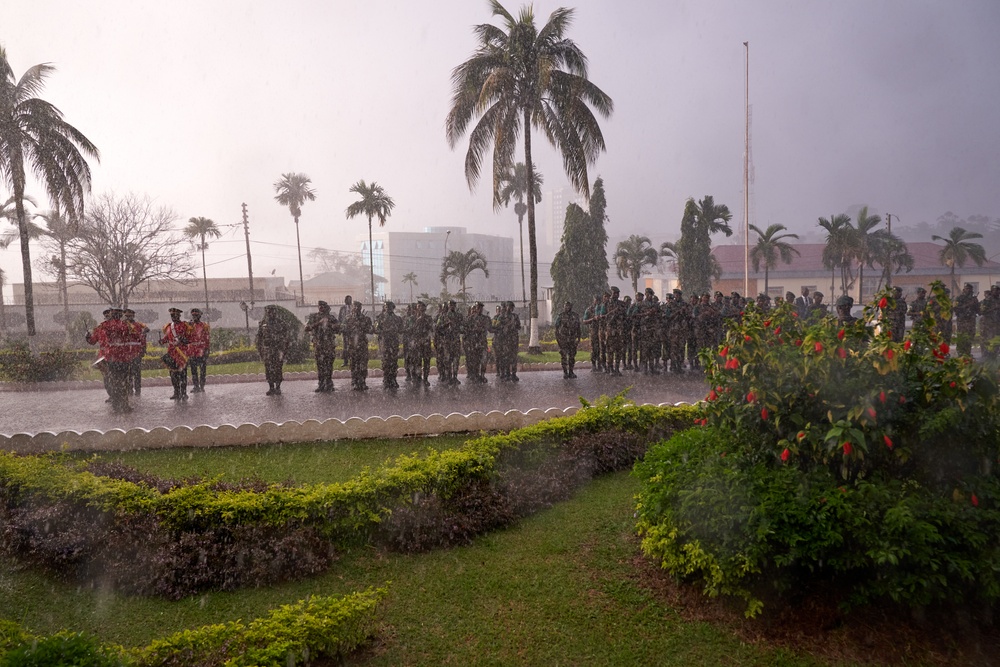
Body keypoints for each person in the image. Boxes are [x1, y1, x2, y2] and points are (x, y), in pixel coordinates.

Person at [86, 307, 133, 413]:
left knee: (113, 381)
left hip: (110, 357)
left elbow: (93, 340)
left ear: (111, 315)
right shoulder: (125, 325)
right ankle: (123, 404)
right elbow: (130, 336)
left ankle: (117, 405)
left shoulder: (104, 326)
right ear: (120, 315)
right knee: (123, 382)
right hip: (122, 358)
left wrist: (88, 338)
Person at [256, 304, 293, 396]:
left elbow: (287, 337)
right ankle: (271, 387)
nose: (270, 313)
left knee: (278, 368)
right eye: (268, 312)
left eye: (271, 312)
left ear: (275, 312)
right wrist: (260, 350)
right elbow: (259, 338)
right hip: (267, 350)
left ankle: (278, 387)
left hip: (278, 349)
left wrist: (284, 350)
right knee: (268, 369)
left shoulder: (281, 323)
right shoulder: (263, 323)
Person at [304, 300, 340, 392]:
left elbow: (339, 328)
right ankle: (321, 384)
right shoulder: (314, 317)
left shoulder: (331, 317)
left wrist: (330, 325)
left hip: (329, 345)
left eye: (322, 306)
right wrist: (318, 323)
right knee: (320, 365)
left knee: (329, 365)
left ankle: (328, 383)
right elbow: (307, 328)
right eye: (319, 306)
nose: (321, 308)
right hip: (319, 345)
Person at [159, 307, 191, 400]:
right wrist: (162, 341)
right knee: (173, 374)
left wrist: (183, 339)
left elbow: (189, 339)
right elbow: (166, 338)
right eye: (172, 315)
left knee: (183, 374)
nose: (173, 317)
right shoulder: (169, 327)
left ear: (179, 315)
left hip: (181, 353)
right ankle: (176, 392)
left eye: (175, 315)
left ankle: (184, 393)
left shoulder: (185, 325)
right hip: (171, 353)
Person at [343, 301, 373, 390]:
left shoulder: (365, 319)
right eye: (354, 307)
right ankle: (354, 382)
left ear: (360, 308)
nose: (356, 309)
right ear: (352, 308)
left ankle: (362, 381)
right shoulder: (348, 318)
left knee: (363, 364)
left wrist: (362, 326)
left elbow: (371, 330)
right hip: (352, 345)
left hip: (362, 344)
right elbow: (342, 328)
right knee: (353, 364)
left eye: (358, 307)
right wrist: (351, 327)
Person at [374, 301, 403, 389]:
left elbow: (401, 330)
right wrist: (385, 331)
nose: (387, 308)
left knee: (394, 361)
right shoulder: (380, 318)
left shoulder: (398, 319)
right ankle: (387, 379)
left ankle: (393, 379)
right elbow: (375, 330)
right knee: (386, 361)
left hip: (394, 342)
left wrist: (394, 330)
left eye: (389, 306)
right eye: (386, 306)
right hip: (385, 342)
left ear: (393, 307)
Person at [123, 309, 148, 396]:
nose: (128, 318)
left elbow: (142, 338)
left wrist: (143, 349)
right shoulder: (123, 325)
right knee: (128, 372)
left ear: (133, 316)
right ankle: (129, 389)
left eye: (129, 316)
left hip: (136, 352)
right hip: (126, 353)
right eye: (126, 316)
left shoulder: (137, 325)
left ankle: (138, 389)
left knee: (137, 372)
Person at [554, 301, 582, 379]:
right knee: (564, 356)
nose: (567, 308)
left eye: (568, 306)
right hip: (563, 339)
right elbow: (556, 327)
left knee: (572, 356)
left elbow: (578, 328)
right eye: (565, 306)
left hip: (572, 339)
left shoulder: (575, 316)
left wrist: (578, 338)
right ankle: (565, 372)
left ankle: (571, 371)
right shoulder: (561, 316)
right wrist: (558, 339)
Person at [186, 308, 211, 393]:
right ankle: (196, 386)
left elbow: (207, 339)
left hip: (202, 351)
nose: (195, 317)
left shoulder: (204, 326)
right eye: (193, 315)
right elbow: (186, 337)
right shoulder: (189, 326)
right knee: (193, 370)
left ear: (200, 316)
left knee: (202, 370)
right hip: (192, 351)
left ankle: (202, 386)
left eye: (196, 315)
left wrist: (207, 349)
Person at [954, 283, 980, 357]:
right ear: (964, 290)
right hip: (962, 321)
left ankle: (967, 353)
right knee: (962, 337)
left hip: (971, 321)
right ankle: (960, 353)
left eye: (970, 289)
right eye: (967, 288)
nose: (968, 290)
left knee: (970, 337)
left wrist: (976, 304)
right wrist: (968, 305)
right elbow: (956, 309)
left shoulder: (974, 299)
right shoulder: (959, 298)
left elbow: (978, 311)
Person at [338, 295, 353, 368]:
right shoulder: (342, 308)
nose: (349, 301)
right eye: (348, 299)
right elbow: (340, 318)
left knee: (352, 346)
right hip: (345, 329)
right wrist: (340, 327)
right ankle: (345, 361)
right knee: (345, 346)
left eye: (350, 299)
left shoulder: (353, 308)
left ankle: (352, 361)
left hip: (352, 330)